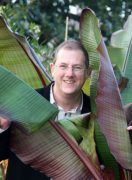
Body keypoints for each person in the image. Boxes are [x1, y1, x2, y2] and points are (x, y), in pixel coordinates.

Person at [0, 39, 91, 179]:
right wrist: (3, 127)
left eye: (77, 67)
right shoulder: (25, 102)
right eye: (63, 66)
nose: (69, 73)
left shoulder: (97, 113)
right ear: (52, 69)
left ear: (87, 72)